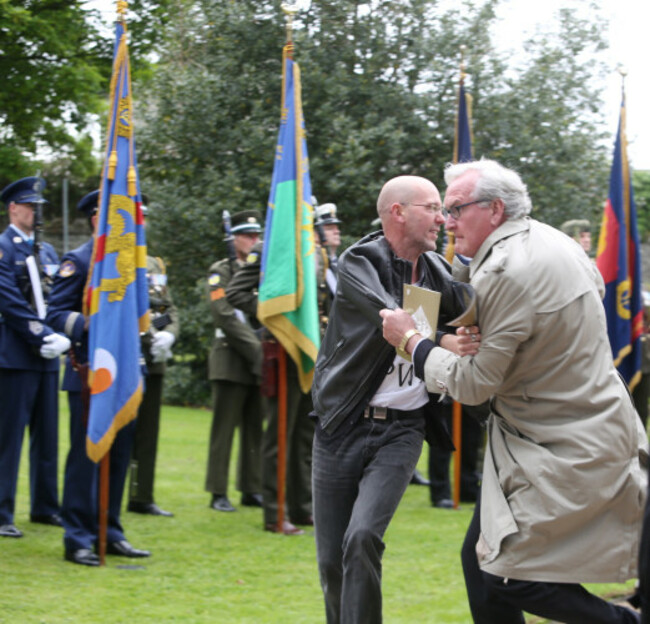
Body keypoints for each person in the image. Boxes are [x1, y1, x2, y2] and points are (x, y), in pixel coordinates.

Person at [381, 159, 647, 624]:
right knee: (481, 563)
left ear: (496, 210)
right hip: (574, 431)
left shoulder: (507, 270)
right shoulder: (552, 241)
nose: (447, 221)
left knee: (509, 575)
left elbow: (473, 384)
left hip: (560, 443)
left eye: (457, 209)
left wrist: (412, 341)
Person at [310, 175, 479, 623]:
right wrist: (444, 339)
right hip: (340, 426)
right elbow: (392, 319)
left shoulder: (438, 270)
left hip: (402, 429)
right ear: (398, 212)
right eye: (433, 207)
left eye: (444, 209)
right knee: (331, 562)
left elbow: (474, 307)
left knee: (362, 537)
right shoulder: (359, 260)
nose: (443, 219)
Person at [46, 190, 151, 566]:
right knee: (86, 456)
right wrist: (91, 324)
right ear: (97, 218)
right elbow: (55, 313)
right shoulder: (79, 260)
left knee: (119, 455)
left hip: (125, 373)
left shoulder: (132, 264)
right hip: (89, 372)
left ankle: (110, 529)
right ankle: (77, 537)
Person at [226, 240, 315, 536]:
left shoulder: (312, 248)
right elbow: (235, 292)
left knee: (305, 437)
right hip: (282, 349)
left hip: (311, 350)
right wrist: (276, 314)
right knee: (279, 435)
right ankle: (275, 512)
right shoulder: (273, 244)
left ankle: (303, 507)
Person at [0, 176, 70, 539]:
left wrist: (57, 334)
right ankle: (2, 512)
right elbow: (9, 300)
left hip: (47, 356)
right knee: (8, 438)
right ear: (13, 209)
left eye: (40, 207)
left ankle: (45, 506)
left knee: (47, 435)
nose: (37, 213)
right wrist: (41, 334)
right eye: (30, 207)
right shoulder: (3, 248)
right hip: (15, 354)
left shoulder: (48, 252)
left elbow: (55, 298)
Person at [205, 210, 264, 513]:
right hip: (230, 357)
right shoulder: (221, 271)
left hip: (257, 357)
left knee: (255, 427)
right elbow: (224, 314)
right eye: (247, 236)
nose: (254, 241)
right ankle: (217, 490)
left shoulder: (260, 270)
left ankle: (251, 487)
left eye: (256, 236)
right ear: (234, 238)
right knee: (224, 430)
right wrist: (257, 349)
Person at [126, 198, 178, 517]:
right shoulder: (114, 260)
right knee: (119, 428)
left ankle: (141, 495)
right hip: (125, 357)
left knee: (148, 432)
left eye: (143, 218)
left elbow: (168, 308)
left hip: (153, 356)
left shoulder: (154, 264)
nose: (141, 223)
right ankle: (106, 496)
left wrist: (169, 333)